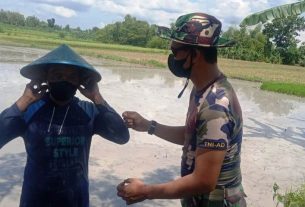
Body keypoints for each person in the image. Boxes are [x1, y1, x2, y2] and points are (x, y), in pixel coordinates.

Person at [117, 13, 247, 207]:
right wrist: (148, 126)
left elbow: (204, 181)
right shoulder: (201, 89)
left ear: (196, 54)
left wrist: (145, 191)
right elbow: (194, 136)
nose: (172, 57)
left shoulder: (216, 106)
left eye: (176, 51)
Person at [0, 44, 129, 207]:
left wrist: (97, 98)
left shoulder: (88, 112)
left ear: (80, 82)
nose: (64, 80)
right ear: (47, 78)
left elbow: (122, 136)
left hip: (75, 199)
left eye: (71, 77)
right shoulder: (29, 111)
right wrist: (24, 101)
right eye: (57, 75)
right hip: (35, 199)